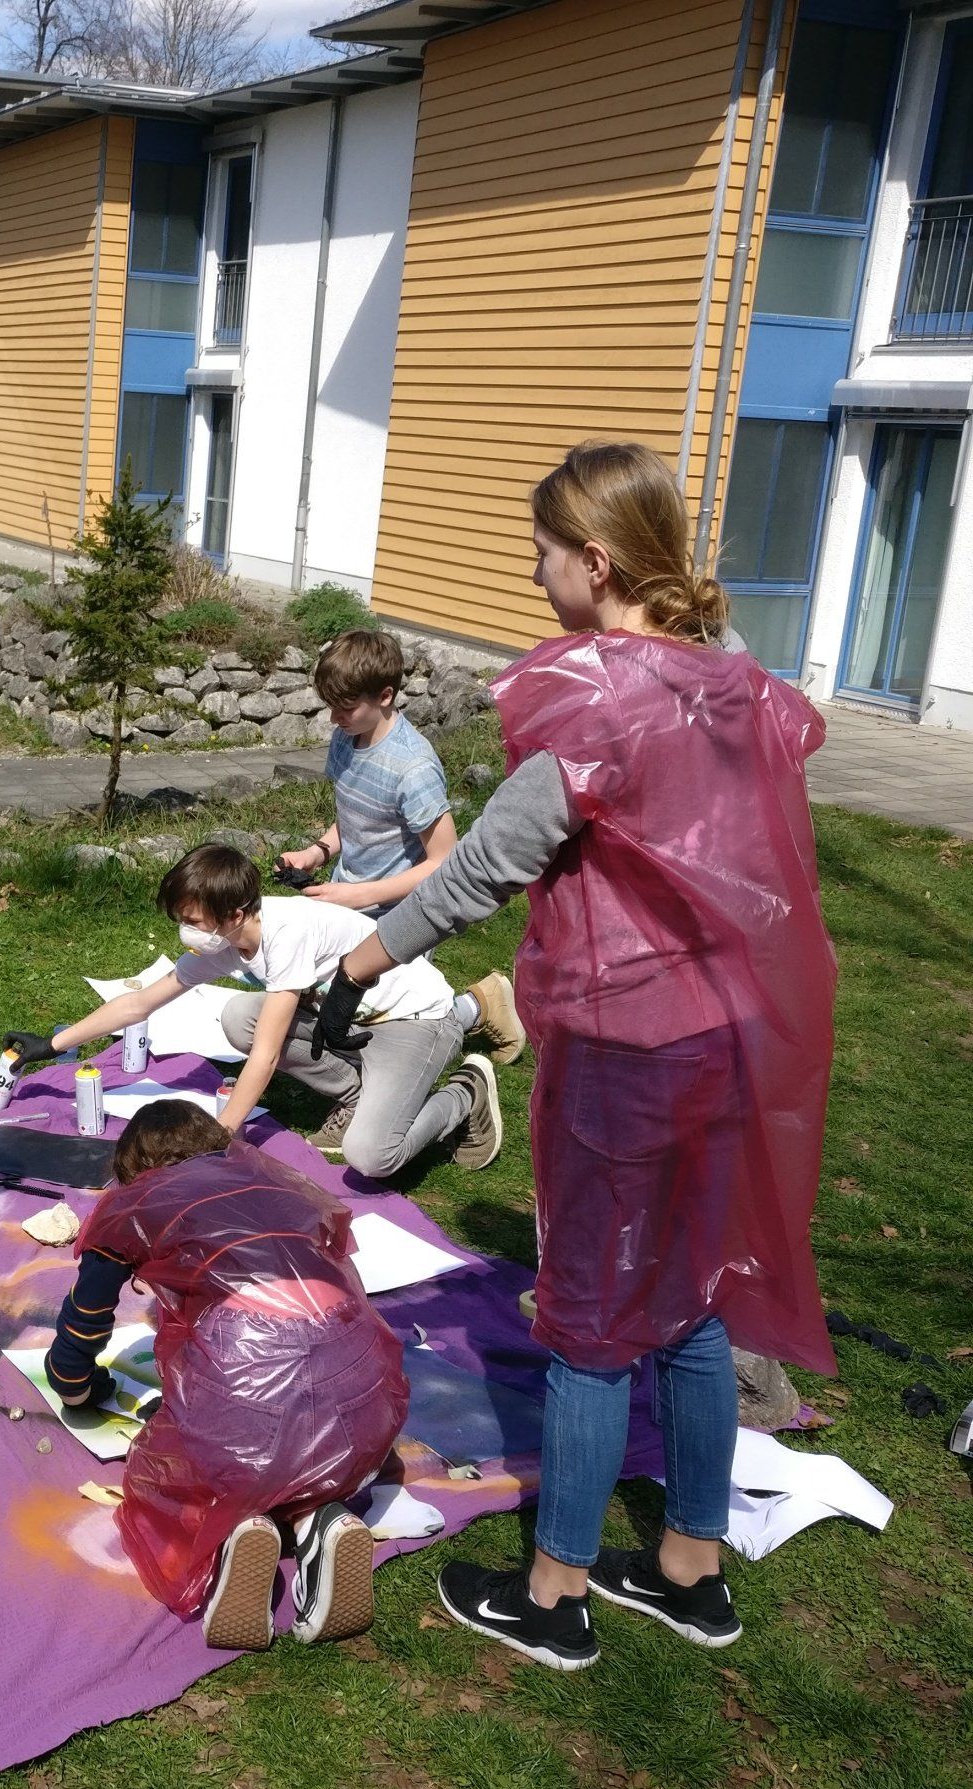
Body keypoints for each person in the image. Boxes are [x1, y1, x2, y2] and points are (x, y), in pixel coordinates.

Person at [319, 441, 835, 1670]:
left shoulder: (603, 700)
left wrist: (364, 958)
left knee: (594, 1319)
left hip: (628, 1045)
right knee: (694, 1299)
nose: (533, 572)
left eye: (542, 553)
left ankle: (553, 1595)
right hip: (723, 1033)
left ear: (596, 564)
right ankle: (690, 1568)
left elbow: (489, 864)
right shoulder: (731, 680)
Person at [47, 1101, 406, 1649]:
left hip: (248, 1399)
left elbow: (85, 1318)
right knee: (297, 1448)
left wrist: (74, 1386)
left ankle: (235, 1532)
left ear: (132, 1165)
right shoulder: (276, 1181)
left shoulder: (135, 1205)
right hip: (366, 1401)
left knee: (177, 1476)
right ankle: (316, 1520)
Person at [8, 844, 501, 1179]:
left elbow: (264, 1058)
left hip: (417, 1021)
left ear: (234, 914)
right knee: (238, 1017)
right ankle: (356, 1092)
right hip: (352, 1020)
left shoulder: (285, 936)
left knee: (371, 1156)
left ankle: (465, 1095)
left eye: (191, 920)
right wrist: (52, 1044)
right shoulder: (226, 938)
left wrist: (220, 1135)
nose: (185, 931)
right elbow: (141, 1001)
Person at [275, 627, 525, 1087]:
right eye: (330, 706)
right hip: (352, 894)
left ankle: (480, 1005)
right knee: (334, 999)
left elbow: (442, 863)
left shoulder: (414, 768)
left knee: (397, 1015)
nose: (334, 718)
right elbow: (354, 819)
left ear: (386, 695)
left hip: (401, 914)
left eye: (345, 708)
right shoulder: (348, 737)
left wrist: (358, 895)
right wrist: (317, 851)